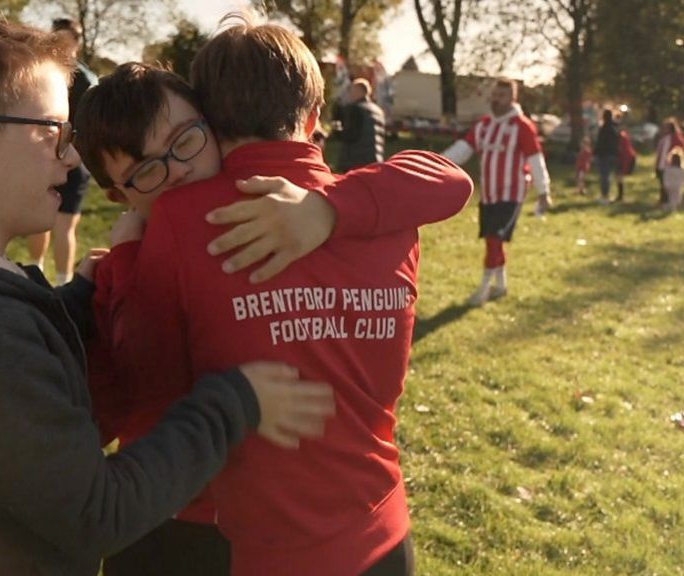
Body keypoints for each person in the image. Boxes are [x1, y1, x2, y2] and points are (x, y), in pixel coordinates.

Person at [0, 14, 334, 575]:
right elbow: (98, 514)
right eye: (54, 133)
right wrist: (236, 401)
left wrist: (76, 301)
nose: (71, 158)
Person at [75, 18, 472, 575]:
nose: (177, 173)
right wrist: (331, 206)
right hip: (381, 528)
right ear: (314, 118)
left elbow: (140, 383)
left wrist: (120, 270)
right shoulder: (390, 213)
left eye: (187, 141)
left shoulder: (180, 221)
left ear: (212, 122)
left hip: (243, 537)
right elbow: (451, 180)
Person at [443, 78, 552, 306]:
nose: (496, 99)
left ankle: (483, 289)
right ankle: (501, 285)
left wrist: (544, 191)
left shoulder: (521, 127)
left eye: (501, 96)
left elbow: (535, 159)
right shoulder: (484, 125)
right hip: (489, 194)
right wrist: (437, 164)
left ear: (512, 99)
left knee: (494, 239)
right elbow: (463, 149)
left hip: (511, 195)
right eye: (494, 95)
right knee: (492, 240)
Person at [26, 18, 98, 284]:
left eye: (68, 44)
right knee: (38, 219)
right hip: (42, 158)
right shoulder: (38, 76)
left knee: (66, 225)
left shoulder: (87, 82)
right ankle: (35, 273)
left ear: (77, 45)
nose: (63, 49)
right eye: (58, 42)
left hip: (74, 161)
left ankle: (65, 283)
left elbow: (92, 128)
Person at [336, 78, 386, 172]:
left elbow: (351, 135)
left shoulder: (355, 109)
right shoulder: (379, 111)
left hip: (355, 162)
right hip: (375, 161)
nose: (350, 94)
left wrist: (337, 132)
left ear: (359, 91)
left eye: (351, 90)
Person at [592, 109, 619, 204]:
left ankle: (605, 196)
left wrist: (595, 152)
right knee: (608, 176)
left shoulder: (605, 128)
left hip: (604, 154)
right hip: (613, 154)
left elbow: (601, 142)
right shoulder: (615, 127)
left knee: (605, 176)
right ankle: (607, 194)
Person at [654, 118, 684, 205]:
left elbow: (678, 151)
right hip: (661, 164)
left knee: (669, 184)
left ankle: (668, 202)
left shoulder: (676, 138)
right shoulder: (663, 139)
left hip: (670, 166)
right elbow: (660, 152)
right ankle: (663, 201)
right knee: (662, 184)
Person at [615, 124, 637, 202]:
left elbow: (621, 149)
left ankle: (620, 196)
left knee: (619, 176)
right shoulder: (624, 136)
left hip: (624, 158)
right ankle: (620, 195)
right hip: (625, 157)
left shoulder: (621, 137)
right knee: (619, 177)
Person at [662, 147, 683, 211]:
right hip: (677, 185)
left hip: (669, 185)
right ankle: (673, 208)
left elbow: (665, 177)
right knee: (676, 197)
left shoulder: (668, 169)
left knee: (670, 197)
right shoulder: (681, 170)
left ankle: (669, 208)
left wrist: (665, 184)